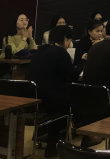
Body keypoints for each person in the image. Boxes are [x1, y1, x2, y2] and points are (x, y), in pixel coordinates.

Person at [26, 26, 86, 158]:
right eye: (70, 40)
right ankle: (76, 139)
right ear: (65, 39)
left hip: (33, 99)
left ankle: (51, 140)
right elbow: (73, 75)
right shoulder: (60, 52)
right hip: (51, 101)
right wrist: (83, 61)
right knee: (76, 99)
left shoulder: (41, 50)